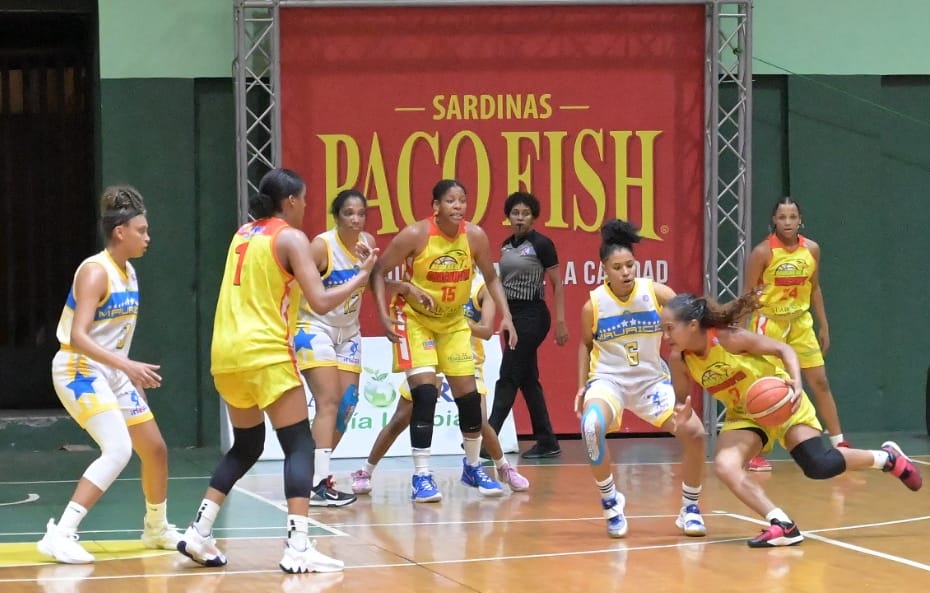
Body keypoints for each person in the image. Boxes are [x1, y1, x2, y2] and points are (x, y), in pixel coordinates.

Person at [177, 168, 376, 573]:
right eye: (303, 199)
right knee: (299, 445)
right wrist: (361, 277)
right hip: (264, 351)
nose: (306, 206)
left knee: (247, 446)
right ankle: (299, 545)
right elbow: (320, 301)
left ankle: (199, 531)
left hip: (226, 354)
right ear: (290, 202)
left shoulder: (242, 234)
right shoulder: (290, 237)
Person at [661, 292, 922, 548]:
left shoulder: (729, 339)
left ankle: (887, 459)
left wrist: (796, 382)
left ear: (692, 325)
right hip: (745, 416)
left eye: (670, 328)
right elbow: (682, 401)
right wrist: (682, 414)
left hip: (783, 402)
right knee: (725, 465)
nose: (666, 336)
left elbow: (783, 349)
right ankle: (782, 524)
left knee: (818, 466)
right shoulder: (680, 359)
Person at [39, 185, 181, 564]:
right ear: (121, 232)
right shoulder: (94, 271)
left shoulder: (129, 272)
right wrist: (128, 367)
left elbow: (115, 336)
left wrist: (126, 373)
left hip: (112, 370)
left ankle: (156, 528)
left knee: (154, 449)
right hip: (77, 367)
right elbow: (78, 336)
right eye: (142, 230)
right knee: (118, 448)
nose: (148, 237)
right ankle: (61, 533)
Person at [374, 179, 518, 502]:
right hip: (416, 321)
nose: (458, 206)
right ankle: (421, 476)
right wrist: (385, 313)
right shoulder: (415, 235)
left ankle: (471, 467)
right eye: (450, 201)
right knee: (424, 394)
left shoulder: (475, 236)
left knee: (469, 399)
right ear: (435, 207)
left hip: (453, 323)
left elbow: (492, 278)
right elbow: (379, 272)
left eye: (462, 200)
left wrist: (506, 315)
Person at [575, 220, 706, 539]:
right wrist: (582, 385)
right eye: (617, 267)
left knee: (696, 433)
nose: (625, 272)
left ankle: (690, 508)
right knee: (591, 428)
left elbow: (686, 327)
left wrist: (682, 364)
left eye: (630, 265)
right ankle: (611, 503)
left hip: (650, 383)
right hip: (609, 382)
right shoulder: (593, 305)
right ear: (603, 268)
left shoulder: (658, 294)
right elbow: (585, 344)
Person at [351, 270, 530, 496]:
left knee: (479, 418)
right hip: (431, 354)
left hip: (465, 357)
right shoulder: (434, 277)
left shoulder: (480, 287)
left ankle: (502, 468)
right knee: (401, 417)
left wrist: (453, 322)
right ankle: (366, 471)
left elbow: (485, 331)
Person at [293, 189, 393, 507]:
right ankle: (319, 483)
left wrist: (384, 312)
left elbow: (375, 274)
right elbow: (301, 289)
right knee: (329, 400)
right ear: (336, 217)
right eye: (348, 212)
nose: (355, 218)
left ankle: (309, 474)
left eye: (361, 213)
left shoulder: (368, 243)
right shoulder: (322, 246)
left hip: (348, 332)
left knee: (347, 404)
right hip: (314, 327)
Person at [744, 196, 847, 473]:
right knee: (766, 389)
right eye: (782, 217)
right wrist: (744, 335)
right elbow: (748, 295)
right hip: (770, 323)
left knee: (821, 382)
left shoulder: (812, 249)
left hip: (801, 323)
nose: (787, 222)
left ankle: (840, 443)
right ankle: (757, 451)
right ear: (774, 221)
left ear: (800, 220)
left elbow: (814, 288)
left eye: (792, 217)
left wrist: (823, 325)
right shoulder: (762, 252)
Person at [488, 191, 568, 459]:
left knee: (508, 376)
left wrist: (560, 322)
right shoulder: (505, 245)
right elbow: (500, 284)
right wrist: (503, 315)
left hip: (534, 316)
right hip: (513, 316)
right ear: (508, 216)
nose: (519, 218)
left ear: (533, 217)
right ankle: (547, 441)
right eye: (515, 213)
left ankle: (489, 438)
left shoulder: (542, 244)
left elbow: (557, 284)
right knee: (528, 381)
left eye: (525, 213)